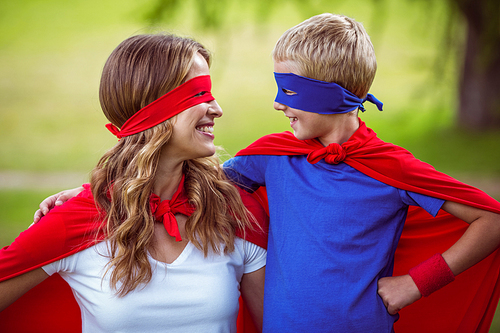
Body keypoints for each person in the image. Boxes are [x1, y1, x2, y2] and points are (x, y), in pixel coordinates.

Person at [31, 14, 500, 333]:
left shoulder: (390, 168)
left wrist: (415, 284)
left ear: (334, 94)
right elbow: (186, 182)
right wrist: (102, 192)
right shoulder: (271, 156)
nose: (278, 103)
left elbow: (491, 220)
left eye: (290, 90)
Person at [0, 33, 268, 333]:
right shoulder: (79, 220)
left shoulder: (235, 213)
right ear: (153, 109)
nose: (216, 108)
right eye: (198, 94)